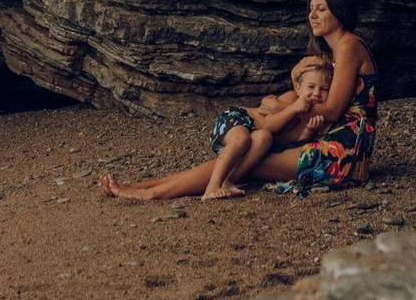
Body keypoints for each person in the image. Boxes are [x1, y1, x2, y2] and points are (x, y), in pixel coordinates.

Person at [99, 0, 378, 200]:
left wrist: (279, 109)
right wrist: (292, 81)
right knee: (249, 154)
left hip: (345, 153)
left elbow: (331, 110)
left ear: (339, 12)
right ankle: (144, 186)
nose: (312, 15)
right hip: (333, 140)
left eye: (321, 9)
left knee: (252, 160)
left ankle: (151, 192)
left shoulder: (348, 46)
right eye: (311, 8)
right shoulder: (333, 51)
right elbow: (310, 94)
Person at [102, 59, 332, 201]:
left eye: (324, 90)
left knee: (262, 139)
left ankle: (147, 187)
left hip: (258, 137)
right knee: (245, 138)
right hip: (237, 120)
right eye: (311, 87)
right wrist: (293, 108)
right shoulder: (293, 99)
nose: (316, 94)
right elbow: (272, 121)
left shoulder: (317, 116)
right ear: (298, 87)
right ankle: (212, 185)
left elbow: (289, 141)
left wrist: (308, 134)